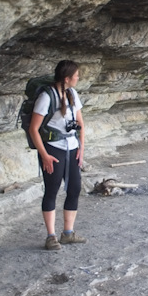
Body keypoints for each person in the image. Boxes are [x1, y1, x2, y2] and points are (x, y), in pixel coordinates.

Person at [29, 60, 86, 251]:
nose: (78, 78)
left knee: (75, 188)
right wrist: (44, 155)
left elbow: (80, 123)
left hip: (71, 146)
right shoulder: (47, 97)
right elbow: (34, 129)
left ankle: (68, 233)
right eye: (76, 75)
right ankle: (51, 236)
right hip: (53, 148)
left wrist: (81, 148)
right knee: (52, 190)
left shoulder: (72, 94)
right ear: (67, 78)